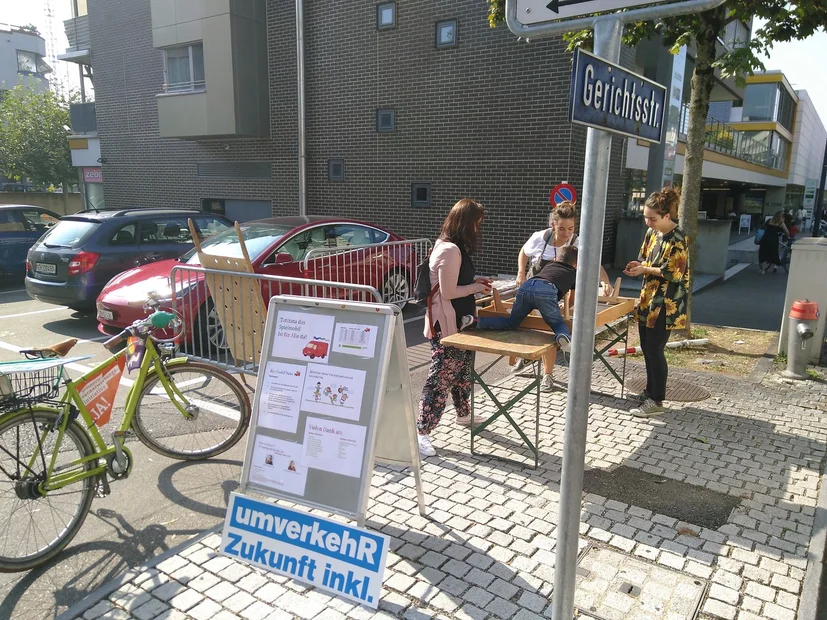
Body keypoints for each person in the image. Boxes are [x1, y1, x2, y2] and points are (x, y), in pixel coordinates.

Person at [417, 199, 492, 457]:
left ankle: (463, 414)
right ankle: (421, 432)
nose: (477, 228)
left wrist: (474, 282)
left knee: (461, 371)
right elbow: (448, 291)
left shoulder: (450, 245)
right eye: (476, 223)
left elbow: (453, 281)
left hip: (459, 321)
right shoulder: (450, 250)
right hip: (448, 324)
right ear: (465, 222)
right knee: (441, 377)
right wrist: (476, 287)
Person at [510, 202, 614, 387]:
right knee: (526, 326)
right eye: (562, 228)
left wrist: (604, 281)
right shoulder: (539, 238)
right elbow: (523, 253)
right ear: (553, 225)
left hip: (559, 294)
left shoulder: (577, 243)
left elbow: (594, 264)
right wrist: (520, 273)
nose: (567, 233)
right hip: (533, 286)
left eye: (571, 228)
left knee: (550, 330)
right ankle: (526, 356)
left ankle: (547, 376)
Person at [623, 188, 690, 418]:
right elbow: (646, 259)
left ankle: (657, 400)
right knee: (647, 349)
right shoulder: (652, 234)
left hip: (667, 303)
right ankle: (650, 391)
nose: (647, 222)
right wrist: (638, 264)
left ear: (667, 216)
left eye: (652, 218)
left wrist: (644, 268)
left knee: (655, 349)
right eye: (645, 217)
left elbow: (674, 273)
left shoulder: (678, 239)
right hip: (648, 299)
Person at [474, 246, 577, 390]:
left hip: (526, 286)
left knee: (511, 322)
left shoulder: (550, 265)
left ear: (556, 259)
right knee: (557, 323)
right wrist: (559, 308)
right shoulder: (573, 272)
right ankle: (562, 336)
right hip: (546, 290)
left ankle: (475, 321)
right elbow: (571, 299)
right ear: (575, 264)